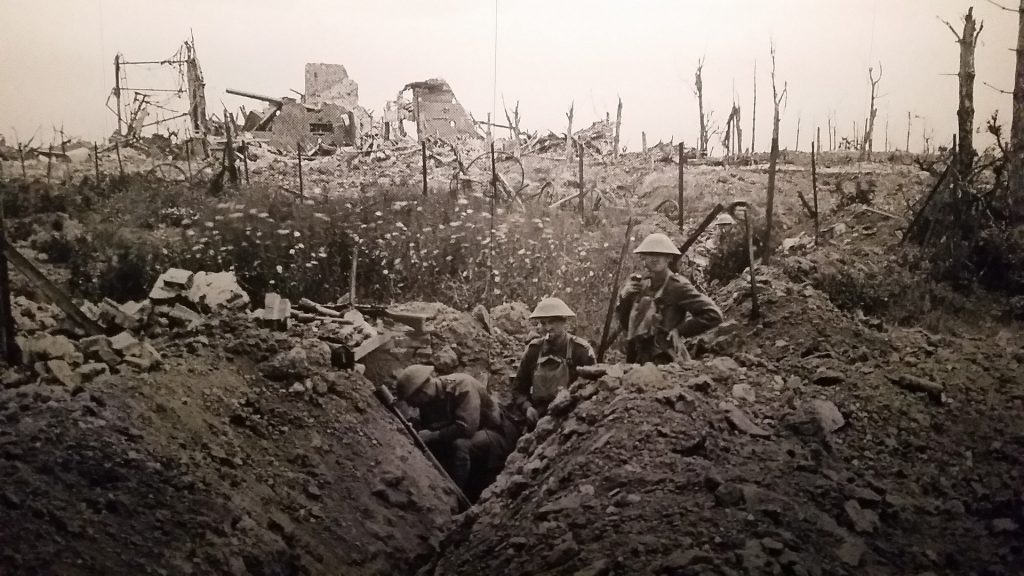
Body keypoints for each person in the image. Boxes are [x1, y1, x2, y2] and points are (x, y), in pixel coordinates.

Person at [396, 364, 517, 501]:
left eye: (412, 401)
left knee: (460, 445)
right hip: (473, 436)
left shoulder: (462, 385)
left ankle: (456, 499)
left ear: (423, 391)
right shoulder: (429, 400)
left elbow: (466, 428)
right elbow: (432, 427)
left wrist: (432, 435)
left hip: (496, 434)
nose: (413, 406)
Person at [616, 232, 723, 364]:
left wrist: (679, 331)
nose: (655, 259)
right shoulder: (640, 285)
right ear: (643, 258)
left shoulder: (677, 286)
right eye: (650, 254)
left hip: (666, 360)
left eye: (660, 254)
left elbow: (713, 315)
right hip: (637, 360)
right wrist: (624, 298)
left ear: (669, 258)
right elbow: (627, 325)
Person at [513, 297, 596, 416]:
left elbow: (591, 390)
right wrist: (527, 407)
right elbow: (518, 388)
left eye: (552, 322)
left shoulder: (580, 350)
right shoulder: (534, 350)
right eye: (543, 323)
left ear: (563, 321)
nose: (547, 328)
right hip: (538, 413)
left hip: (570, 415)